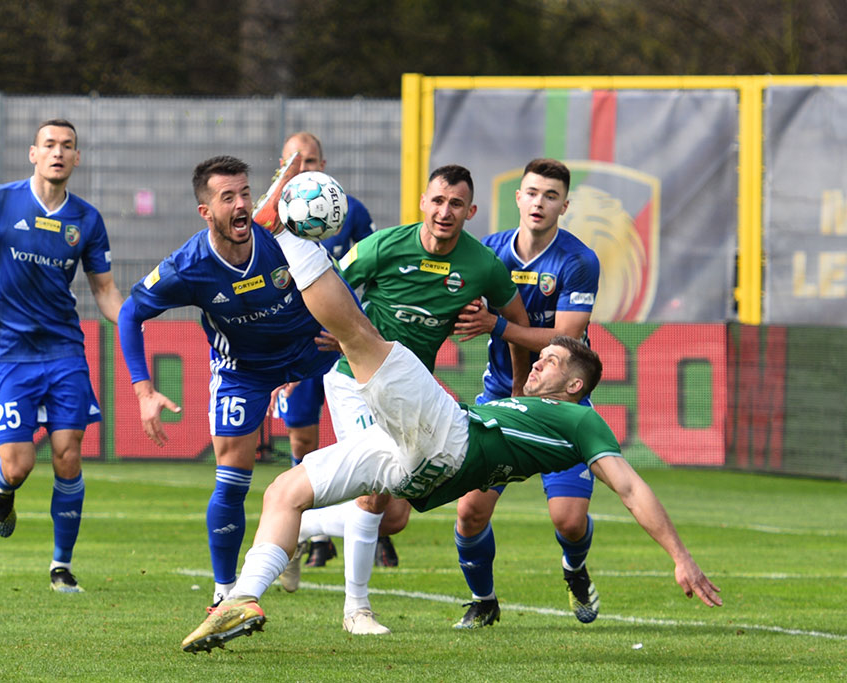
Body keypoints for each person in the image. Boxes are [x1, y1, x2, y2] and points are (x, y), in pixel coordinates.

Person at [180, 221, 722, 653]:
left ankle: (285, 232)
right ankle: (244, 598)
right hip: (422, 467)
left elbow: (629, 487)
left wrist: (680, 556)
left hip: (450, 439)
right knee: (286, 491)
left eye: (552, 360)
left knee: (361, 337)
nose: (538, 362)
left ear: (575, 386)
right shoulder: (526, 402)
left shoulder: (581, 419)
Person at [278, 164, 530, 635]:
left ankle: (301, 526)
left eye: (456, 204)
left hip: (411, 395)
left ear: (471, 211)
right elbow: (322, 291)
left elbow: (519, 324)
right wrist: (294, 360)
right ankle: (357, 610)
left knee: (394, 517)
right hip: (354, 381)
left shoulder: (483, 266)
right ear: (422, 203)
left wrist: (518, 387)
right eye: (438, 201)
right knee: (373, 494)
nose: (445, 212)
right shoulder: (383, 246)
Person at [116, 154, 341, 607]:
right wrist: (144, 391)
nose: (241, 204)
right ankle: (224, 594)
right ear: (206, 211)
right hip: (243, 371)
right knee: (232, 481)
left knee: (383, 491)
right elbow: (130, 313)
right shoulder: (188, 266)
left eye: (245, 194)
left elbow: (333, 279)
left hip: (313, 352)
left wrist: (348, 331)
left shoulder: (280, 236)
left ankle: (303, 529)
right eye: (227, 197)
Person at [0, 119, 124, 593]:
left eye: (67, 146)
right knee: (18, 466)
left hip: (65, 353)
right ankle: (2, 489)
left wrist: (135, 320)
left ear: (77, 158)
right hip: (10, 354)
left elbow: (104, 290)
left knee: (67, 456)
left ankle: (61, 565)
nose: (58, 152)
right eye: (49, 145)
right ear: (33, 153)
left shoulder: (87, 219)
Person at [450, 158, 603, 629]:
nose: (540, 203)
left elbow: (566, 341)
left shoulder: (578, 261)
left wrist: (497, 325)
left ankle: (575, 568)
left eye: (551, 196)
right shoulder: (489, 252)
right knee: (469, 512)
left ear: (564, 206)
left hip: (560, 403)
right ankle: (483, 601)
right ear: (517, 198)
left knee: (569, 522)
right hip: (500, 397)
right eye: (532, 193)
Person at [271, 132, 375, 570]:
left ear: (324, 164)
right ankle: (312, 529)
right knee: (302, 436)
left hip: (338, 343)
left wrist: (357, 329)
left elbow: (370, 275)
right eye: (295, 162)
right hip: (296, 344)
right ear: (281, 167)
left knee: (362, 444)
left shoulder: (350, 211)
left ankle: (366, 525)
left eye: (311, 160)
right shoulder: (271, 218)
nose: (304, 168)